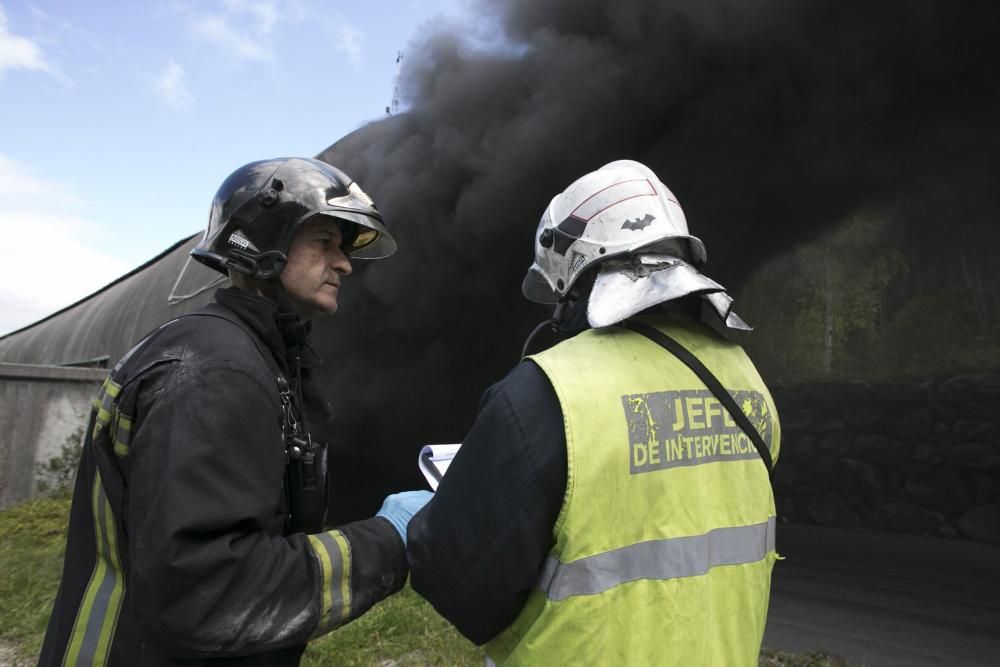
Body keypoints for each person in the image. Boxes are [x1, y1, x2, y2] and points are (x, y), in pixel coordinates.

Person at [39, 157, 432, 666]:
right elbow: (208, 589)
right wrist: (388, 541)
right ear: (265, 240)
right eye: (325, 242)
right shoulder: (216, 372)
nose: (345, 264)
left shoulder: (245, 353)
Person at [407, 160, 781, 665]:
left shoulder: (545, 393)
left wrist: (438, 523)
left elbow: (461, 588)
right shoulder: (750, 382)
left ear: (574, 270)